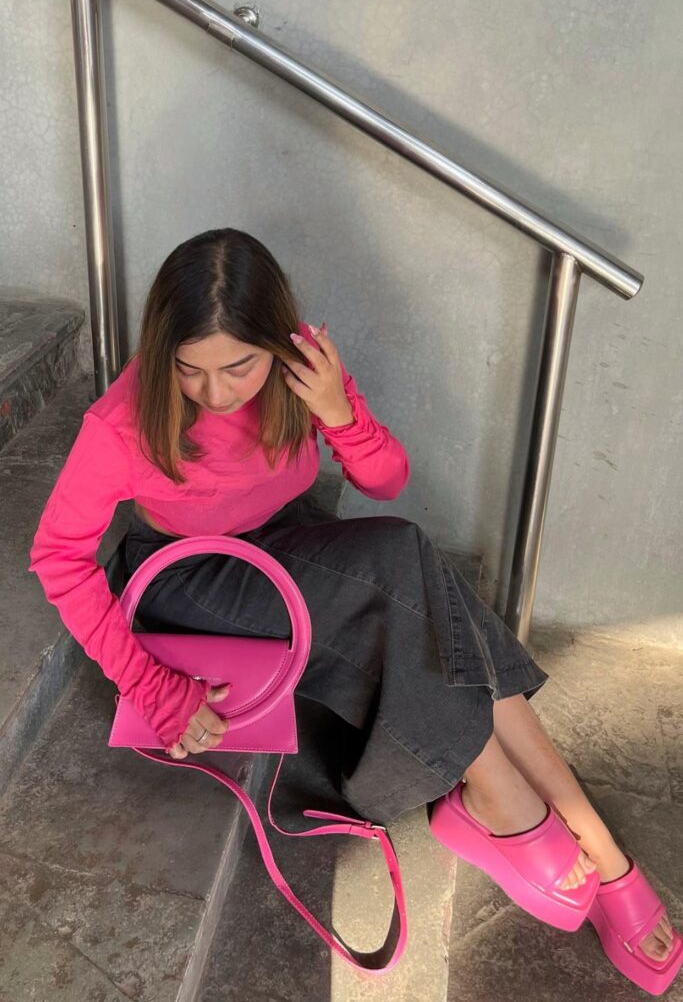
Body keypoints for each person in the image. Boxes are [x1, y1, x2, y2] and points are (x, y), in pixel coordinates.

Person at [28, 227, 680, 993]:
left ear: (275, 341)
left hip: (280, 544)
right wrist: (151, 684)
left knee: (413, 567)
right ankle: (526, 813)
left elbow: (383, 478)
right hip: (188, 576)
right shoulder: (123, 421)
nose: (213, 391)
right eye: (189, 369)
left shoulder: (304, 369)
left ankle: (584, 840)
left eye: (238, 365)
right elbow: (58, 558)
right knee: (402, 563)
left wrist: (339, 411)